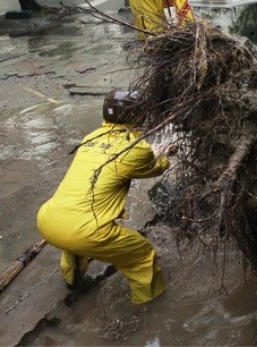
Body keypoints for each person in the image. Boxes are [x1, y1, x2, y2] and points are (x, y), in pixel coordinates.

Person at [37, 90, 174, 304]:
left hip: (48, 220)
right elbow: (154, 168)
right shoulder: (136, 147)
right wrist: (164, 154)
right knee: (142, 254)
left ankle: (73, 282)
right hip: (86, 231)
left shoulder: (90, 138)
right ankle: (150, 304)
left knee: (73, 242)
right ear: (139, 116)